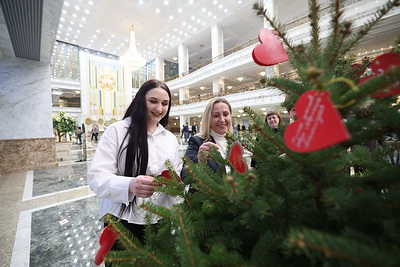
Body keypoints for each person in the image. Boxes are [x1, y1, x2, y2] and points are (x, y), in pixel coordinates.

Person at [87, 79, 182, 247]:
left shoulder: (170, 139)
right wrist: (130, 185)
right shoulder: (117, 131)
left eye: (165, 103)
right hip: (122, 219)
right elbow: (97, 178)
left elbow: (175, 173)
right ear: (140, 100)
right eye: (153, 101)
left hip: (160, 218)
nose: (159, 109)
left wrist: (176, 182)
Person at [184, 98, 232, 173]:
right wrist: (200, 160)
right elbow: (185, 174)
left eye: (225, 114)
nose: (222, 120)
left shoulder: (234, 141)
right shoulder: (197, 141)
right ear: (208, 119)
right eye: (216, 116)